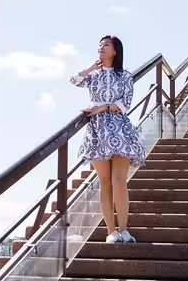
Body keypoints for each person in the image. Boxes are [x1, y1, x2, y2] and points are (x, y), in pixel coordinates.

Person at [70, 35, 145, 244]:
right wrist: (88, 69)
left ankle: (124, 230)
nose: (101, 48)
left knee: (119, 180)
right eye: (100, 45)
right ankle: (111, 231)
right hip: (96, 131)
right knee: (104, 181)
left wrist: (102, 107)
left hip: (120, 129)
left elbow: (125, 105)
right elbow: (74, 80)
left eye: (106, 45)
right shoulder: (93, 76)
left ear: (115, 51)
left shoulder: (125, 76)